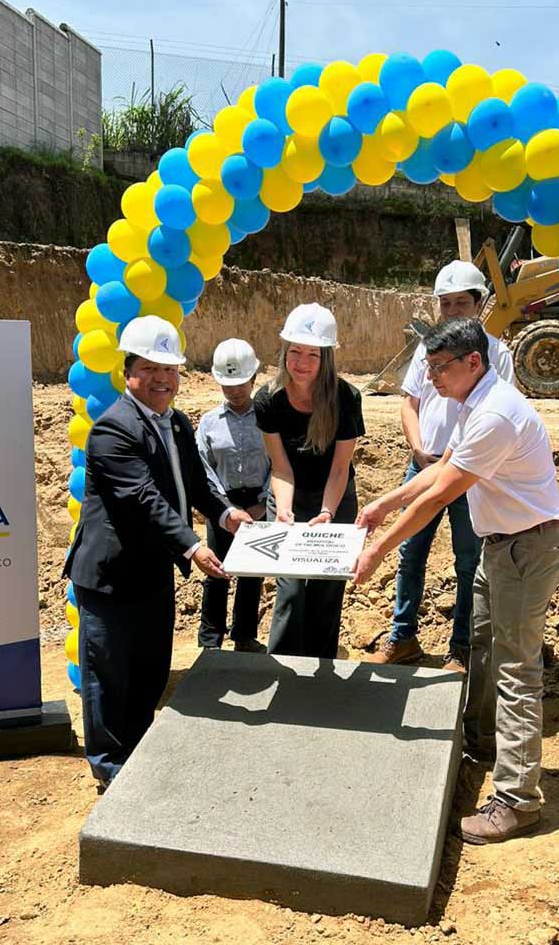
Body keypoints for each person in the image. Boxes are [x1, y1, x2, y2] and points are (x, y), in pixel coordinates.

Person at [353, 318, 559, 844]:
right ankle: (483, 744)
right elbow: (439, 466)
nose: (431, 379)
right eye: (427, 368)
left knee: (516, 669)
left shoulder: (496, 414)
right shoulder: (474, 403)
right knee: (479, 646)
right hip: (503, 546)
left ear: (473, 362)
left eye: (438, 368)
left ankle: (518, 801)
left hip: (526, 547)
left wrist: (379, 550)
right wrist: (384, 502)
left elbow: (441, 494)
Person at [64, 315, 252, 787]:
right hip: (109, 576)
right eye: (151, 369)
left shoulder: (178, 424)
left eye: (170, 371)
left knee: (150, 669)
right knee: (108, 677)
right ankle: (110, 769)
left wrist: (227, 515)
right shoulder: (112, 431)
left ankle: (139, 753)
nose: (162, 380)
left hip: (152, 571)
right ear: (129, 373)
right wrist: (191, 547)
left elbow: (195, 482)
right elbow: (142, 498)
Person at [367, 260, 515, 673]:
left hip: (470, 473)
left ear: (479, 303)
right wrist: (417, 450)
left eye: (460, 303)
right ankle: (403, 636)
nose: (452, 311)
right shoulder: (426, 349)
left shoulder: (496, 354)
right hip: (425, 463)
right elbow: (409, 402)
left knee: (468, 561)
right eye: (445, 303)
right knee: (410, 551)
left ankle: (461, 648)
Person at [254, 302, 365, 659]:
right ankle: (283, 666)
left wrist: (328, 513)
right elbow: (280, 468)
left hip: (335, 498)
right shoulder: (267, 400)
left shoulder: (347, 399)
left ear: (326, 358)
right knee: (290, 590)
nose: (301, 362)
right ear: (284, 351)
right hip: (289, 497)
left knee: (326, 589)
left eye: (312, 355)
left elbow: (339, 469)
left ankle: (321, 668)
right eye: (295, 352)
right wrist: (284, 511)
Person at [195, 338, 271, 653]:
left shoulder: (267, 418)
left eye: (241, 383)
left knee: (251, 573)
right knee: (217, 571)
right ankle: (209, 641)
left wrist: (263, 503)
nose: (235, 390)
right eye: (228, 384)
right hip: (222, 505)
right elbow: (203, 467)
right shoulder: (209, 423)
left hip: (258, 503)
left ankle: (244, 636)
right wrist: (223, 510)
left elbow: (278, 464)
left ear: (254, 379)